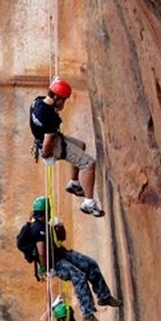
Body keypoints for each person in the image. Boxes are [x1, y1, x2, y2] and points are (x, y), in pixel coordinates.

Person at [29, 196, 122, 321]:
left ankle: (104, 296)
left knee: (90, 264)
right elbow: (42, 252)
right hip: (53, 263)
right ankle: (88, 314)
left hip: (61, 253)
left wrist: (59, 227)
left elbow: (61, 238)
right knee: (78, 276)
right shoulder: (37, 229)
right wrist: (46, 268)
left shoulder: (47, 224)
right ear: (45, 212)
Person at [29, 78, 105, 217]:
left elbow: (39, 127)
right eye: (63, 100)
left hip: (47, 139)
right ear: (56, 97)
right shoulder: (50, 116)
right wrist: (47, 155)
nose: (64, 103)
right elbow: (48, 141)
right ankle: (89, 203)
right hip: (52, 145)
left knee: (81, 145)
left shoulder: (37, 102)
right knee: (88, 163)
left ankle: (74, 183)